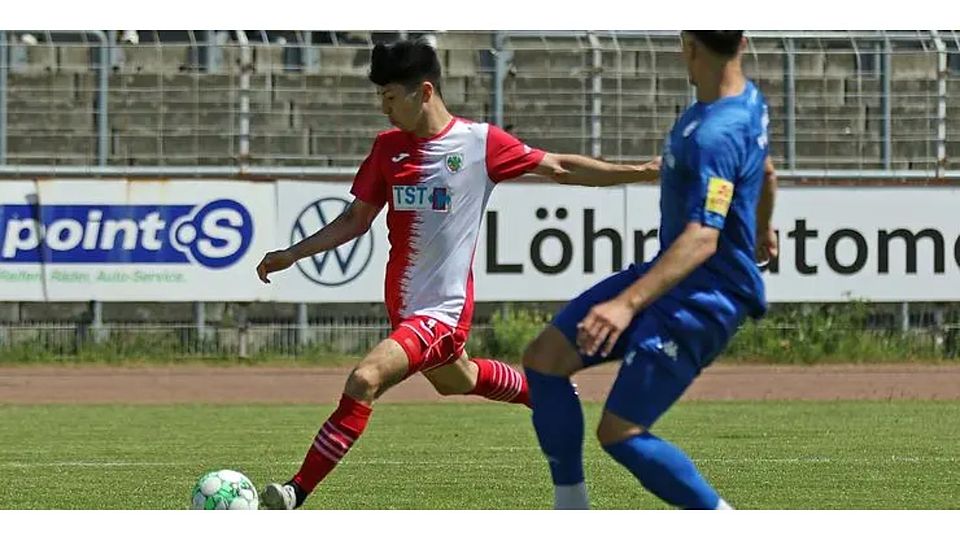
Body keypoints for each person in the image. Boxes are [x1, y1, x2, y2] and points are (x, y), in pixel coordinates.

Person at [254, 38, 661, 510]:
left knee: (365, 379)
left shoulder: (479, 144)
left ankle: (293, 492)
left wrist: (640, 170)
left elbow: (560, 168)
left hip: (440, 314)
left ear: (423, 92)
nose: (383, 108)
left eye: (390, 97)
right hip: (405, 313)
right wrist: (292, 254)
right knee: (458, 379)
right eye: (379, 98)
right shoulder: (388, 149)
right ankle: (543, 390)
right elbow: (355, 219)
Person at [521, 30, 779, 510]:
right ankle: (571, 510)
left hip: (705, 298)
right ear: (743, 43)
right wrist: (763, 229)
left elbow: (703, 237)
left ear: (687, 44)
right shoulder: (748, 101)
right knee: (544, 359)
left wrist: (625, 304)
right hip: (669, 280)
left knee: (620, 432)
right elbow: (766, 172)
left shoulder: (713, 134)